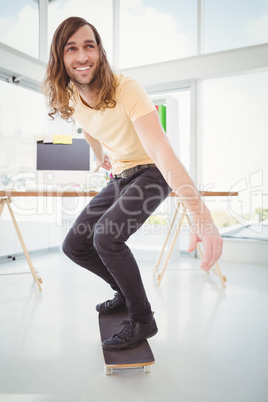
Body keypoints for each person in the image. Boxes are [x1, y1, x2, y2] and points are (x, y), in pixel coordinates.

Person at [43, 16, 223, 351]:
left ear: (100, 52)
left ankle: (142, 319)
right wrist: (99, 156)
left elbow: (161, 149)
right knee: (75, 245)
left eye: (89, 46)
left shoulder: (127, 89)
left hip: (152, 172)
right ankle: (124, 295)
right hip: (122, 175)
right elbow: (89, 127)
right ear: (61, 57)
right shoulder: (69, 95)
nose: (82, 56)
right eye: (72, 48)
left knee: (107, 236)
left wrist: (202, 216)